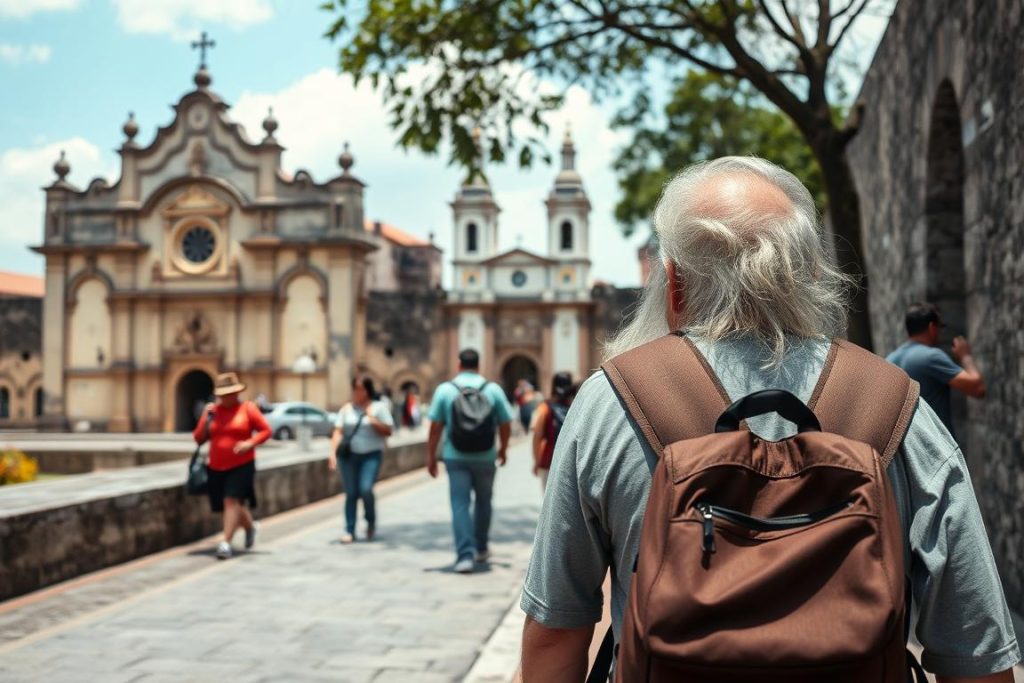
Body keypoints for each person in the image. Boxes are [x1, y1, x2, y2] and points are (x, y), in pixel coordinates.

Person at [519, 157, 1019, 681]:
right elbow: (977, 656)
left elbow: (556, 630)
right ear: (811, 276)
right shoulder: (897, 407)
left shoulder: (610, 404)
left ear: (674, 285)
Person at [426, 349, 514, 573]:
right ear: (478, 365)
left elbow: (435, 427)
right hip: (486, 456)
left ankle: (465, 556)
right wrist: (503, 449)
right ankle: (481, 548)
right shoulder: (492, 389)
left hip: (455, 457)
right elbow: (506, 422)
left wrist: (431, 456)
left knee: (460, 504)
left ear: (458, 364)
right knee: (484, 502)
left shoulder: (445, 390)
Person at [192, 372, 271, 560]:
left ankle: (225, 542)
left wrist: (249, 443)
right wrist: (205, 416)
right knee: (228, 504)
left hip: (242, 464)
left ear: (237, 393)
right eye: (223, 395)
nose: (227, 398)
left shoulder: (248, 408)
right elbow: (198, 438)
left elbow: (266, 431)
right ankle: (250, 527)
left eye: (231, 393)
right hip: (216, 466)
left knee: (231, 500)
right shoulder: (213, 412)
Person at [887, 302, 986, 437]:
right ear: (932, 327)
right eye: (941, 326)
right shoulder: (931, 356)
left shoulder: (889, 360)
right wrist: (965, 356)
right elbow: (978, 388)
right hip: (935, 446)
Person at [329, 374, 394, 544]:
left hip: (371, 455)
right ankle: (349, 530)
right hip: (349, 456)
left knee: (366, 489)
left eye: (361, 389)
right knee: (351, 493)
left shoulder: (378, 407)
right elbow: (338, 431)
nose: (358, 392)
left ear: (368, 390)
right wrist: (332, 453)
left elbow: (389, 430)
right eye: (355, 389)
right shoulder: (346, 409)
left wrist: (372, 419)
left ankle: (370, 520)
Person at [530, 372, 574, 492]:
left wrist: (536, 462)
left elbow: (537, 436)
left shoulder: (544, 407)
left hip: (548, 460)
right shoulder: (576, 406)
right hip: (571, 462)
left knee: (549, 499)